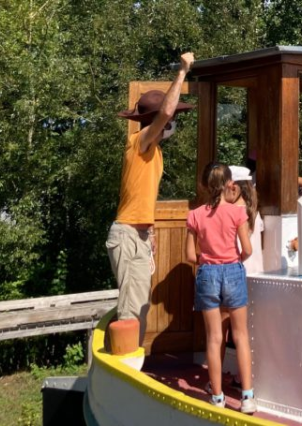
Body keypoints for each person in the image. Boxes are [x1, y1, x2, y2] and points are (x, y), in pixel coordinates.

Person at [106, 52, 195, 335]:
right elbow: (166, 112)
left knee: (140, 305)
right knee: (130, 311)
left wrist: (152, 230)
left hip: (140, 234)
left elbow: (144, 195)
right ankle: (123, 371)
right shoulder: (139, 142)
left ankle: (131, 367)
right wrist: (182, 71)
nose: (172, 123)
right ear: (157, 121)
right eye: (169, 119)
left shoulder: (155, 153)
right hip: (127, 234)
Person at [185, 163, 257, 413]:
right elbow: (247, 249)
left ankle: (217, 397)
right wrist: (234, 261)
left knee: (214, 339)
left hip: (208, 274)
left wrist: (208, 259)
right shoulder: (237, 213)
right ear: (229, 184)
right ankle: (247, 397)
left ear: (205, 185)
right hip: (233, 270)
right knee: (240, 335)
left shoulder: (195, 215)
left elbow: (189, 256)